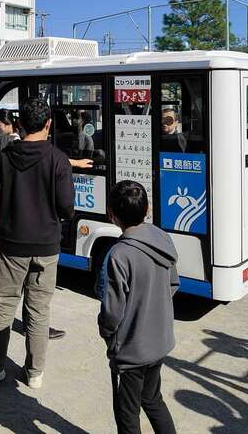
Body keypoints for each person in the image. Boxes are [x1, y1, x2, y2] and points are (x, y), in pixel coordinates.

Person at [0, 97, 74, 389]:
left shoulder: (5, 156)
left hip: (12, 244)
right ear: (48, 123)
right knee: (38, 310)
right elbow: (66, 208)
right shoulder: (58, 159)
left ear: (20, 124)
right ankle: (35, 372)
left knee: (3, 306)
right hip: (47, 245)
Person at [99, 180, 179, 434]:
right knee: (153, 400)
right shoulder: (161, 238)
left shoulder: (119, 255)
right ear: (148, 209)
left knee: (127, 414)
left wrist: (107, 333)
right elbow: (173, 283)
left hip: (132, 351)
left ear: (112, 215)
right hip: (160, 342)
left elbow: (112, 311)